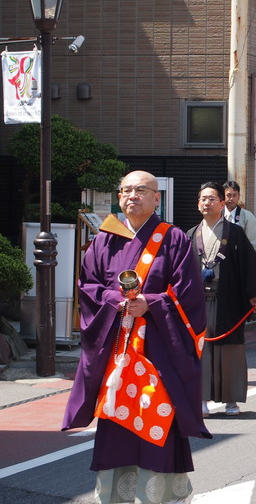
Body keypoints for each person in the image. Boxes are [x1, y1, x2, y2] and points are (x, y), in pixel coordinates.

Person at [63, 171, 210, 503]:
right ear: (119, 197)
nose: (133, 196)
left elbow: (189, 296)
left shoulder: (173, 240)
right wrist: (117, 302)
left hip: (158, 354)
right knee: (118, 430)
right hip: (117, 356)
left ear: (156, 198)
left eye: (141, 190)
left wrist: (152, 304)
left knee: (155, 422)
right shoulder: (104, 240)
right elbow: (88, 289)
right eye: (126, 190)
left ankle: (155, 497)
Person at [188, 182, 256, 417]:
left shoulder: (235, 233)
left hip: (228, 299)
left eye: (212, 199)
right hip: (199, 301)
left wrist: (254, 294)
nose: (207, 203)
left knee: (230, 350)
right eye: (203, 199)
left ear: (223, 204)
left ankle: (231, 400)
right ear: (198, 203)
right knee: (200, 350)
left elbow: (248, 266)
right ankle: (201, 399)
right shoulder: (191, 234)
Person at [223, 180, 256, 247]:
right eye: (228, 195)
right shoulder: (217, 215)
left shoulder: (248, 217)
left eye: (234, 195)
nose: (231, 198)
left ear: (239, 196)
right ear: (223, 197)